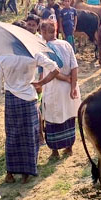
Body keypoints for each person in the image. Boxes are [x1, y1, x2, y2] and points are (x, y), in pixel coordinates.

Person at [0, 51, 59, 184]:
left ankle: (10, 173)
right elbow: (55, 68)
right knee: (29, 136)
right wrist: (41, 83)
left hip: (11, 100)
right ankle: (26, 173)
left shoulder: (2, 56)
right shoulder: (32, 53)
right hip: (28, 99)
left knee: (12, 135)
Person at [38, 21, 80, 159]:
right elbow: (74, 67)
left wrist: (67, 80)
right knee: (69, 116)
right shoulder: (66, 44)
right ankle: (69, 147)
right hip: (69, 89)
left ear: (44, 32)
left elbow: (53, 71)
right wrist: (73, 86)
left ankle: (55, 151)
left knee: (53, 118)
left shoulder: (44, 48)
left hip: (54, 88)